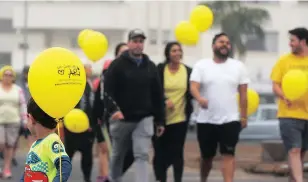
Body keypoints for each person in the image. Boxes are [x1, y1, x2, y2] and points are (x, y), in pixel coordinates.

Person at [104, 29, 165, 182]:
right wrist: (113, 110)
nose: (138, 44)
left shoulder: (150, 66)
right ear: (129, 43)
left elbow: (157, 94)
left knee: (142, 154)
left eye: (141, 41)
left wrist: (160, 120)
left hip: (144, 118)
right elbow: (107, 91)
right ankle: (114, 178)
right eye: (135, 41)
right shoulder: (117, 65)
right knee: (118, 154)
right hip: (122, 118)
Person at [190, 32, 249, 182]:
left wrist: (243, 116)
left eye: (227, 43)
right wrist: (199, 98)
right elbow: (193, 87)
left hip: (230, 119)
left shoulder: (238, 66)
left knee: (228, 154)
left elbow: (243, 95)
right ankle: (203, 178)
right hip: (206, 119)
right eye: (221, 42)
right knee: (207, 157)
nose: (225, 45)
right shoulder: (202, 65)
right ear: (213, 46)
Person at [271, 27, 308, 182]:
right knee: (294, 150)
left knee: (300, 153)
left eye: (293, 40)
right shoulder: (284, 61)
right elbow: (275, 85)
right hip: (288, 114)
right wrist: (283, 96)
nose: (290, 44)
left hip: (307, 115)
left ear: (303, 41)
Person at [153, 41, 193, 182]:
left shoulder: (188, 71)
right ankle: (161, 178)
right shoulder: (160, 69)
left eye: (179, 51)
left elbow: (192, 92)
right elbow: (154, 90)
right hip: (160, 119)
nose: (177, 53)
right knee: (160, 154)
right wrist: (164, 100)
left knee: (177, 154)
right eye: (174, 51)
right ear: (168, 54)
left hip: (179, 119)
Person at [93, 42, 133, 182]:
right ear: (116, 56)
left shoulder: (136, 74)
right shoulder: (107, 75)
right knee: (111, 153)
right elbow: (98, 102)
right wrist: (98, 128)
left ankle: (111, 177)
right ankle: (107, 177)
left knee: (129, 154)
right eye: (122, 53)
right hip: (109, 122)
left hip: (130, 122)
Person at [20, 97, 72, 182]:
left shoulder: (52, 140)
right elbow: (28, 172)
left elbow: (65, 165)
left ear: (31, 118)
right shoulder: (36, 144)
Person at [63, 64, 96, 182]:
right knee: (68, 153)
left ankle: (87, 178)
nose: (90, 70)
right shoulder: (74, 85)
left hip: (88, 128)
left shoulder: (90, 85)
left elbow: (92, 107)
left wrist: (92, 124)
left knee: (87, 155)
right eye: (88, 68)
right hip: (72, 126)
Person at [0, 66, 27, 179]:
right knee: (1, 142)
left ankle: (7, 168)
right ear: (1, 76)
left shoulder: (18, 89)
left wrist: (24, 119)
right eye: (5, 75)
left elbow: (22, 104)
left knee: (10, 146)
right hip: (0, 121)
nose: (7, 77)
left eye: (10, 75)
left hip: (13, 121)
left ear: (13, 77)